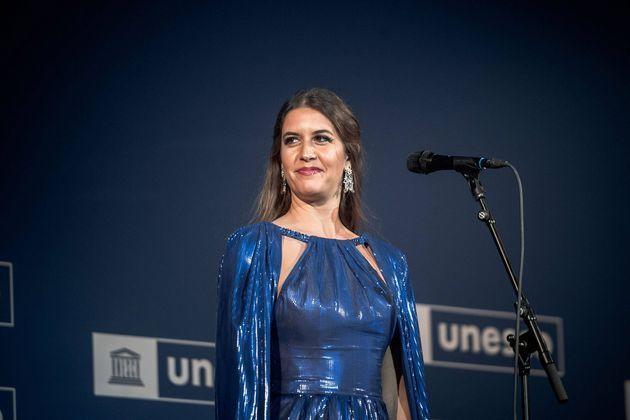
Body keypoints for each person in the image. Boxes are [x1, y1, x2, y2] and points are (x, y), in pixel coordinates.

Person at [215, 88, 430, 419]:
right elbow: (241, 388)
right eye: (292, 141)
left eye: (321, 139)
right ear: (280, 160)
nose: (306, 153)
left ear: (348, 156)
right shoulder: (255, 248)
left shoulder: (390, 262)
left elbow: (404, 391)